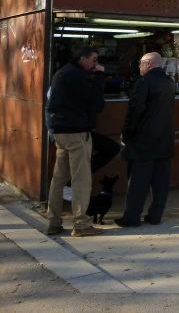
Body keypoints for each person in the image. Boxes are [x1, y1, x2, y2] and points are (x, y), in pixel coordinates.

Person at [46, 47, 106, 237]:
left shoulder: (61, 73)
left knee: (58, 180)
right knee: (81, 180)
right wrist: (100, 77)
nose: (96, 64)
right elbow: (96, 101)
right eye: (94, 60)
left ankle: (54, 222)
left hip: (61, 132)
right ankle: (81, 224)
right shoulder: (79, 76)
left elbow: (51, 103)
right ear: (82, 59)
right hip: (77, 132)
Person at [115, 53, 175, 228]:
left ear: (148, 64)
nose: (139, 66)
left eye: (141, 63)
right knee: (161, 182)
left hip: (143, 141)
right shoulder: (169, 82)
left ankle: (132, 216)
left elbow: (134, 111)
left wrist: (126, 133)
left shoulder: (143, 82)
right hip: (165, 138)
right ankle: (155, 215)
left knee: (138, 181)